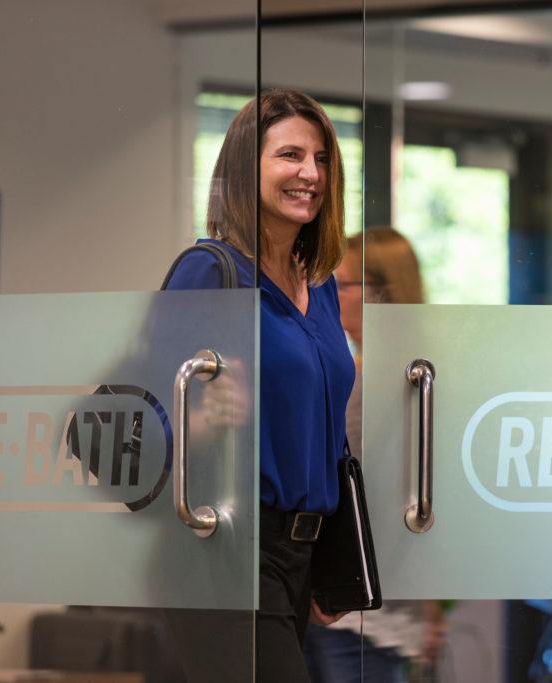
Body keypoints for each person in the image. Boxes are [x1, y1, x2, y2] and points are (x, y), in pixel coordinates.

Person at [165, 89, 354, 682]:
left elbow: (325, 432)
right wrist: (207, 414)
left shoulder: (319, 284)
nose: (310, 174)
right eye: (290, 155)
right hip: (228, 546)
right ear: (247, 171)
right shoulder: (210, 271)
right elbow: (152, 405)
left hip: (299, 553)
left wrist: (331, 559)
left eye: (321, 159)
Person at [303, 227, 446, 683]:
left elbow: (365, 499)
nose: (327, 293)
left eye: (340, 283)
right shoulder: (403, 373)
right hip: (376, 613)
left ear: (380, 293)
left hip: (358, 614)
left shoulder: (375, 381)